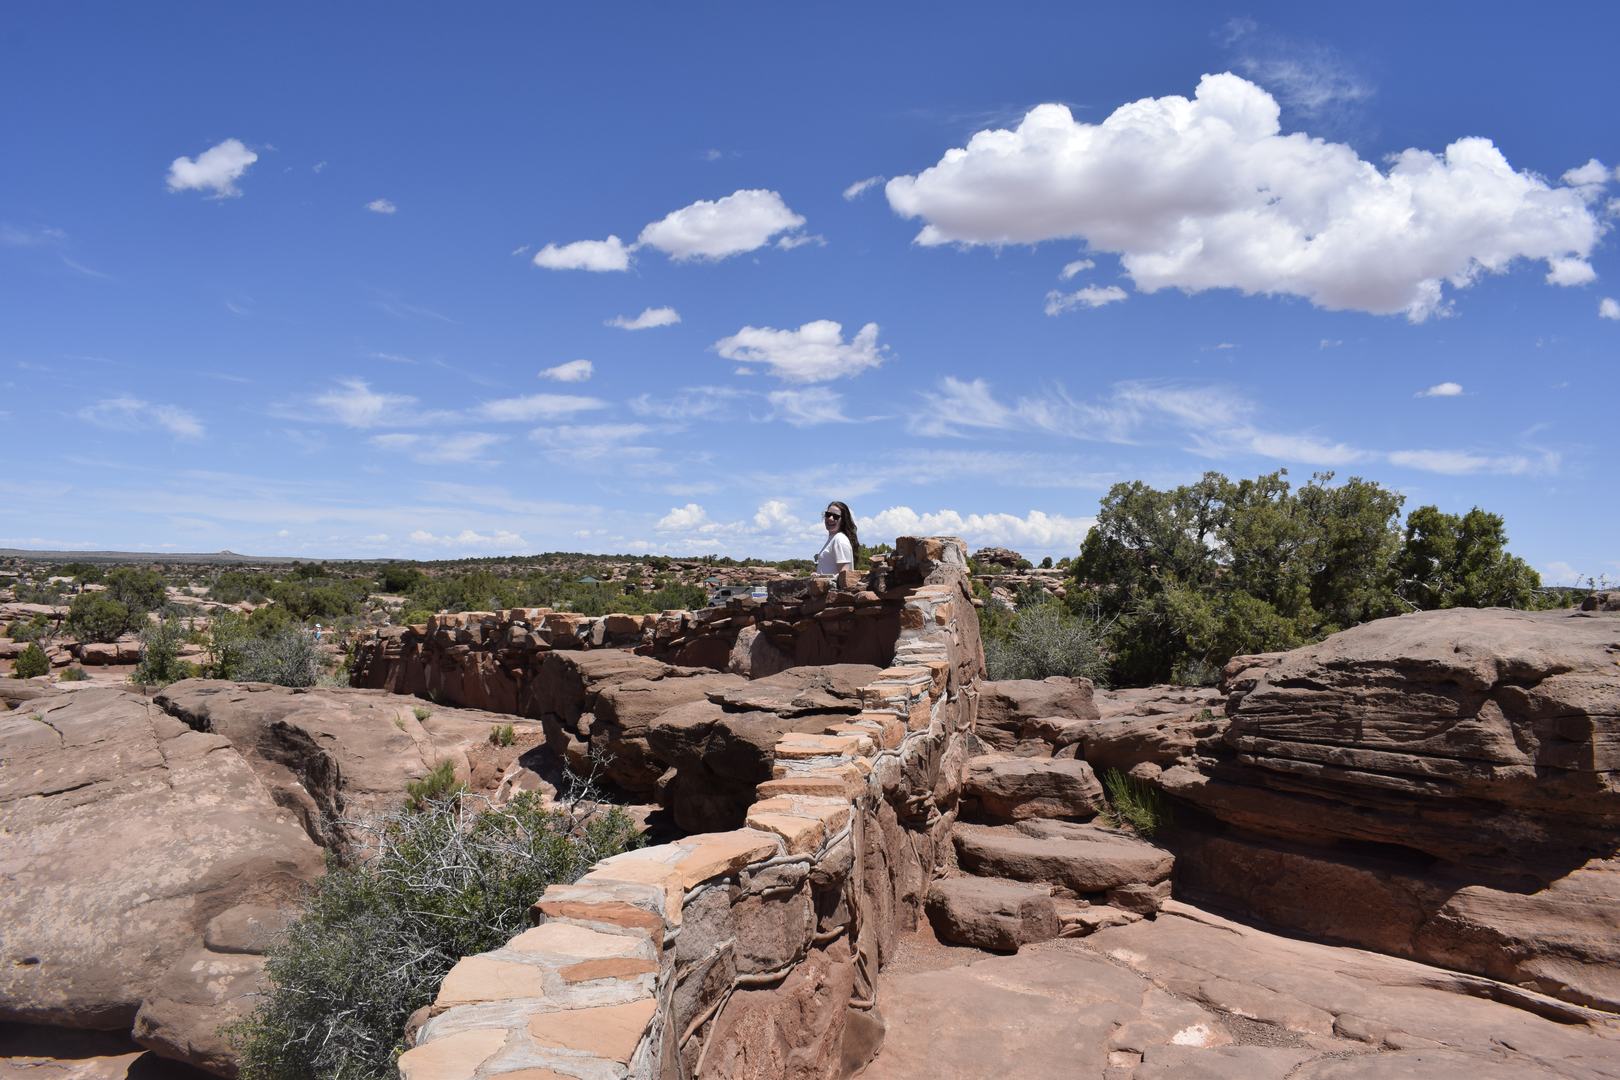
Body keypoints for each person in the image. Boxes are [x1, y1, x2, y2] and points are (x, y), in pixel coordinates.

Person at [816, 501, 858, 575]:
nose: (831, 518)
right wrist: (819, 576)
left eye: (836, 517)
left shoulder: (839, 540)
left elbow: (843, 575)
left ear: (843, 521)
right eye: (828, 515)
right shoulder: (834, 539)